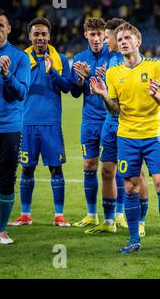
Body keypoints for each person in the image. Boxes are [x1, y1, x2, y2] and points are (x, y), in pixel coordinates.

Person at [90, 22, 160, 256]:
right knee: (130, 188)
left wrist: (156, 95)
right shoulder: (113, 72)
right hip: (127, 137)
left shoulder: (155, 67)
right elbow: (113, 109)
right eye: (119, 39)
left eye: (127, 38)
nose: (122, 42)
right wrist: (102, 96)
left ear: (138, 42)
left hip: (153, 135)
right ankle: (132, 240)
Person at [84, 18, 150, 235]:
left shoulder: (128, 62)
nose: (104, 39)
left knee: (136, 174)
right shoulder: (111, 62)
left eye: (107, 36)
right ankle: (110, 220)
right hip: (109, 124)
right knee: (106, 172)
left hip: (129, 125)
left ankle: (140, 221)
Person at [9, 18, 72, 228]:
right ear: (30, 36)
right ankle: (25, 215)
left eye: (44, 34)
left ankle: (59, 215)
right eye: (36, 34)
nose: (40, 38)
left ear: (49, 35)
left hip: (51, 124)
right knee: (27, 169)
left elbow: (67, 88)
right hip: (26, 124)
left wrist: (52, 71)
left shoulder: (59, 58)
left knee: (56, 168)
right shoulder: (21, 59)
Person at [0, 8, 30, 244]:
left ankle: (2, 230)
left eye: (0, 26)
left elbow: (21, 93)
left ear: (9, 29)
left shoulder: (20, 58)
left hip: (9, 130)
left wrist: (6, 75)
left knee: (5, 181)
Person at [70, 18, 111, 228]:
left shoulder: (113, 56)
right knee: (88, 165)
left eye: (99, 34)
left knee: (110, 168)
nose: (96, 38)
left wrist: (102, 77)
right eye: (92, 34)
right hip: (89, 121)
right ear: (86, 35)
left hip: (110, 120)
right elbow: (75, 93)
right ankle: (92, 214)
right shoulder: (79, 58)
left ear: (105, 35)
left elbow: (118, 89)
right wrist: (81, 79)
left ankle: (117, 215)